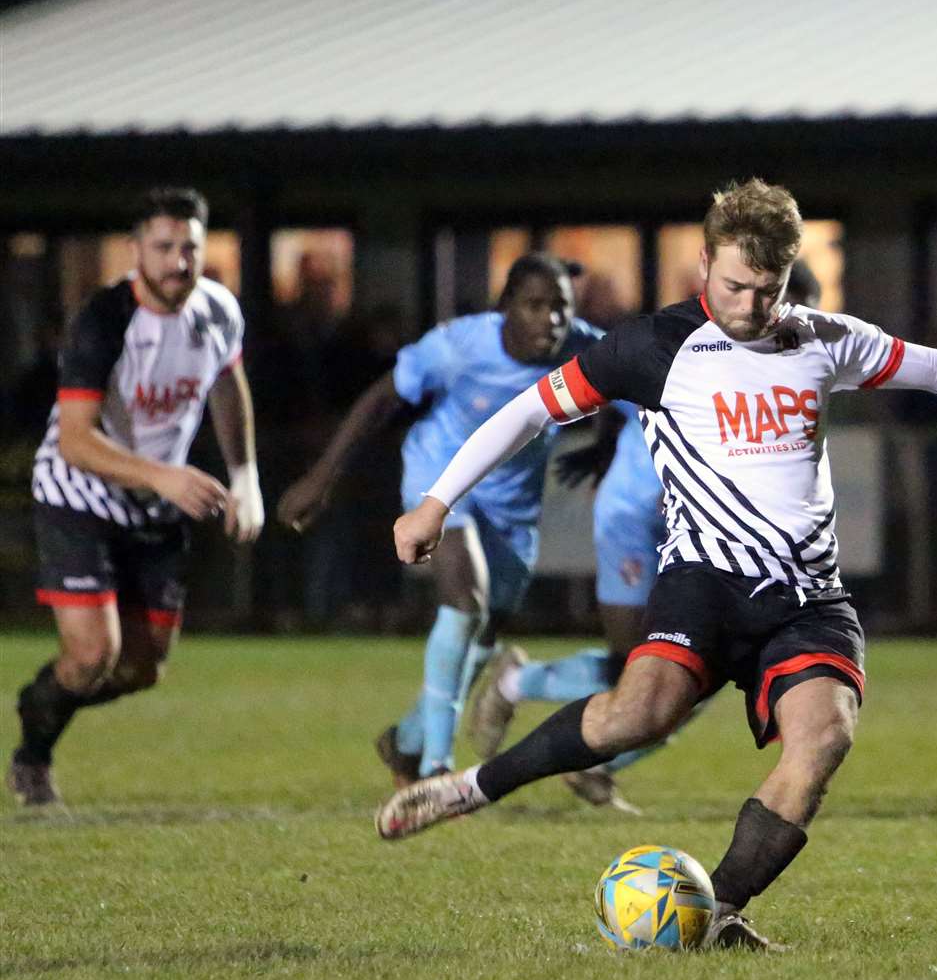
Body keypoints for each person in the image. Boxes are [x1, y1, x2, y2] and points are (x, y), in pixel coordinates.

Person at [375, 180, 937, 949]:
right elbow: (532, 409)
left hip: (807, 596)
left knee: (824, 737)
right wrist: (436, 502)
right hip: (704, 583)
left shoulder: (822, 338)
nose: (752, 307)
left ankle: (717, 910)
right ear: (703, 264)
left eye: (769, 290)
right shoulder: (655, 345)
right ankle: (468, 789)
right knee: (637, 714)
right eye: (735, 286)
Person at [465, 262, 826, 812]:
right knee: (636, 665)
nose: (794, 324)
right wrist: (605, 446)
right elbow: (616, 378)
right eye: (791, 309)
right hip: (634, 520)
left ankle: (592, 756)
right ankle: (520, 686)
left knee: (688, 671)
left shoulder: (784, 371)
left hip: (701, 540)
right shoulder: (693, 346)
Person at [276, 254, 599, 785]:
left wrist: (607, 443)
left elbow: (641, 393)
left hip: (515, 510)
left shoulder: (586, 346)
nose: (550, 319)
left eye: (560, 307)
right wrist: (322, 477)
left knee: (488, 631)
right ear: (505, 309)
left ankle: (407, 742)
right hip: (441, 484)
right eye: (535, 305)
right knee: (464, 602)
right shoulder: (459, 347)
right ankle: (437, 769)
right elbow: (382, 397)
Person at [8, 188, 264, 806]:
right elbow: (74, 440)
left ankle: (47, 696)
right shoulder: (104, 319)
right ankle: (34, 750)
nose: (179, 261)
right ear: (136, 250)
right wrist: (161, 475)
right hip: (80, 492)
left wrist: (245, 474)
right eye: (164, 247)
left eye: (190, 248)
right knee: (95, 652)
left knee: (142, 669)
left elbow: (228, 384)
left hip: (155, 502)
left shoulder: (218, 309)